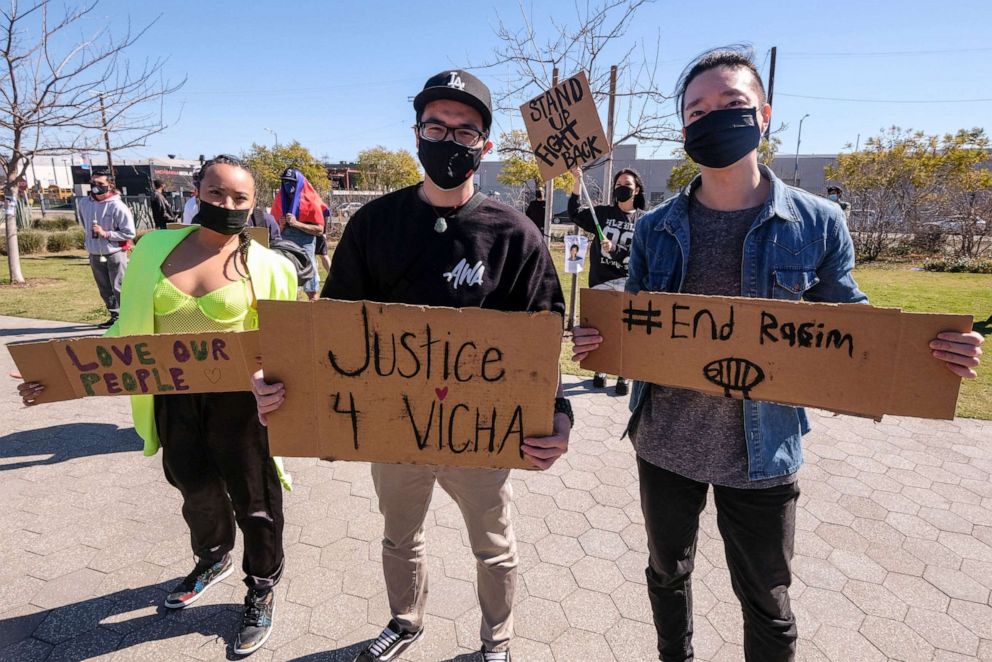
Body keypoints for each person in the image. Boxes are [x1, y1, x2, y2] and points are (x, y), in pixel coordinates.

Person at [571, 46, 985, 662]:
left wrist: (928, 351)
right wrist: (598, 342)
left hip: (764, 451)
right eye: (696, 110)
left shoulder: (818, 222)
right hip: (665, 441)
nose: (713, 118)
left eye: (731, 105)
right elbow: (634, 320)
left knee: (768, 601)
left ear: (764, 114)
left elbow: (850, 326)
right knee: (666, 575)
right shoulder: (656, 227)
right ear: (684, 128)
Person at [252, 69, 571, 662]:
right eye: (435, 126)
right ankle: (405, 620)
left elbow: (542, 340)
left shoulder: (516, 236)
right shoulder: (374, 225)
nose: (448, 140)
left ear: (486, 145)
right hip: (394, 430)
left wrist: (559, 414)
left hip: (482, 436)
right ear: (416, 133)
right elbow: (333, 329)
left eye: (465, 131)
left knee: (494, 547)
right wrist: (280, 382)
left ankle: (497, 642)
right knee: (400, 537)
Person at [21, 155, 299, 655]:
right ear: (197, 192)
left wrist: (275, 381)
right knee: (195, 491)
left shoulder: (271, 267)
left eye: (240, 199)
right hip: (172, 399)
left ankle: (261, 588)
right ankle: (213, 558)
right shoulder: (153, 250)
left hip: (242, 408)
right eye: (216, 193)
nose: (227, 205)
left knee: (256, 504)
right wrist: (56, 375)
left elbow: (289, 348)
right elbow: (124, 335)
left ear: (254, 205)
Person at [568, 166, 647, 396]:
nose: (621, 189)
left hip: (628, 282)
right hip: (601, 281)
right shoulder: (601, 214)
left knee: (625, 330)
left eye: (627, 185)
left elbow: (639, 255)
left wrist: (616, 250)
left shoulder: (644, 221)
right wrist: (576, 181)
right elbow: (574, 212)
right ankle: (600, 369)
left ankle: (624, 373)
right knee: (599, 330)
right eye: (618, 185)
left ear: (637, 189)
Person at [77, 171, 136, 328]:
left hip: (115, 252)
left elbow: (129, 232)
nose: (95, 187)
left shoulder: (117, 206)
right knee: (104, 288)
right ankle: (115, 316)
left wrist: (106, 233)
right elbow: (84, 224)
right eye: (93, 183)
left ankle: (129, 318)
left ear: (110, 185)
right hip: (95, 253)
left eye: (100, 184)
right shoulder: (84, 203)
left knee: (120, 287)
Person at [271, 168, 325, 300]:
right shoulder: (279, 200)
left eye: (292, 183)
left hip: (305, 243)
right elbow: (273, 229)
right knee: (286, 276)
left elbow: (319, 229)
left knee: (309, 279)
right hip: (284, 243)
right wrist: (281, 225)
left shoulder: (311, 200)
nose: (289, 186)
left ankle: (315, 308)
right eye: (286, 182)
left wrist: (297, 224)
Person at [315, 205, 332, 273]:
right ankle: (315, 275)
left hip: (319, 234)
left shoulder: (322, 206)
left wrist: (324, 232)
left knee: (323, 255)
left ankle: (332, 275)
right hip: (311, 233)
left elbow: (325, 218)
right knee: (312, 256)